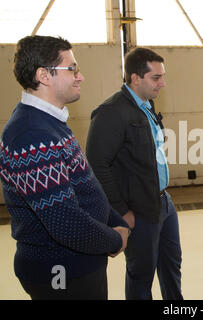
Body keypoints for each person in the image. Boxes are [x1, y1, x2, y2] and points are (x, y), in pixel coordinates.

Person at [0, 35, 130, 300]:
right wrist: (115, 239)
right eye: (72, 69)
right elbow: (65, 222)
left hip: (77, 265)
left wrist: (117, 222)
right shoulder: (32, 135)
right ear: (44, 75)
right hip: (60, 271)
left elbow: (84, 185)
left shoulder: (49, 123)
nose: (79, 77)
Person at [86, 47, 183, 300]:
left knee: (172, 267)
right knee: (141, 276)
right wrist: (120, 210)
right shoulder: (111, 112)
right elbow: (97, 164)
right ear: (135, 78)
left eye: (163, 76)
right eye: (156, 78)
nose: (162, 83)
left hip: (163, 202)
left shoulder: (146, 105)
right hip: (139, 211)